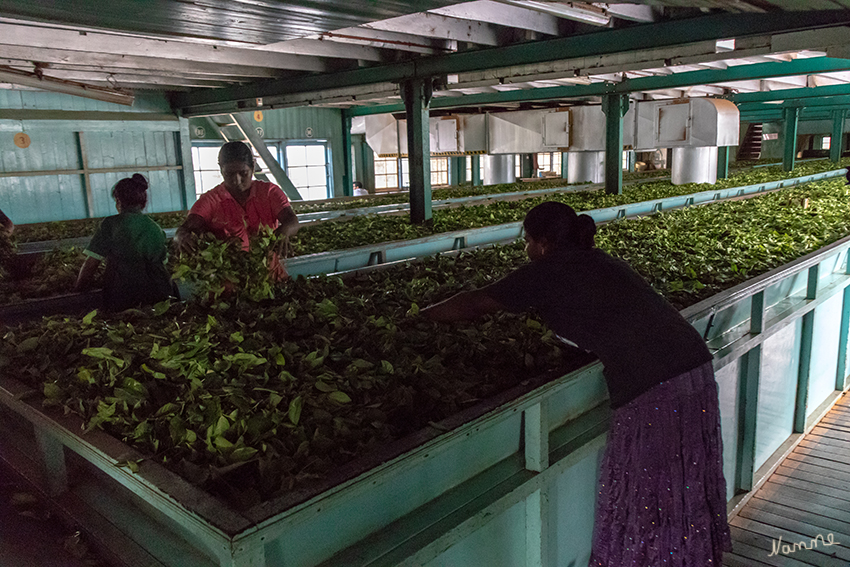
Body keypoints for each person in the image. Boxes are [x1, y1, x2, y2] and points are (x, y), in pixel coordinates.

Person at [422, 201, 731, 566]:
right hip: (693, 366)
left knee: (646, 488)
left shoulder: (549, 270)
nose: (526, 249)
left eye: (527, 240)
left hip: (654, 385)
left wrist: (418, 317)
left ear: (543, 242)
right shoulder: (599, 261)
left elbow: (475, 303)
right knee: (680, 479)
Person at [175, 142, 299, 280]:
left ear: (253, 166)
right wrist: (182, 236)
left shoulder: (269, 193)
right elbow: (186, 228)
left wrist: (285, 231)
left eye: (243, 173)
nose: (236, 180)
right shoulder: (211, 200)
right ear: (221, 169)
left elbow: (291, 220)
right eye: (229, 174)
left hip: (270, 278)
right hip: (228, 283)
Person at [74, 174, 174, 312]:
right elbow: (162, 263)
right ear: (143, 203)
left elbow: (92, 262)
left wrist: (79, 288)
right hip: (157, 294)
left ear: (118, 201)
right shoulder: (154, 227)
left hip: (121, 295)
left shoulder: (110, 224)